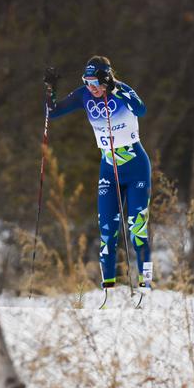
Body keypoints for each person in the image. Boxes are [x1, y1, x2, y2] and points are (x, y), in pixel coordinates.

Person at [44, 55, 153, 292]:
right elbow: (52, 112)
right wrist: (51, 89)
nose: (91, 88)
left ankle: (146, 283)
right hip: (108, 168)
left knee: (137, 227)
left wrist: (114, 88)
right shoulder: (84, 95)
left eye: (95, 82)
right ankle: (109, 288)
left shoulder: (122, 91)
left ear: (107, 79)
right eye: (87, 82)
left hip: (135, 168)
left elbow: (141, 110)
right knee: (107, 230)